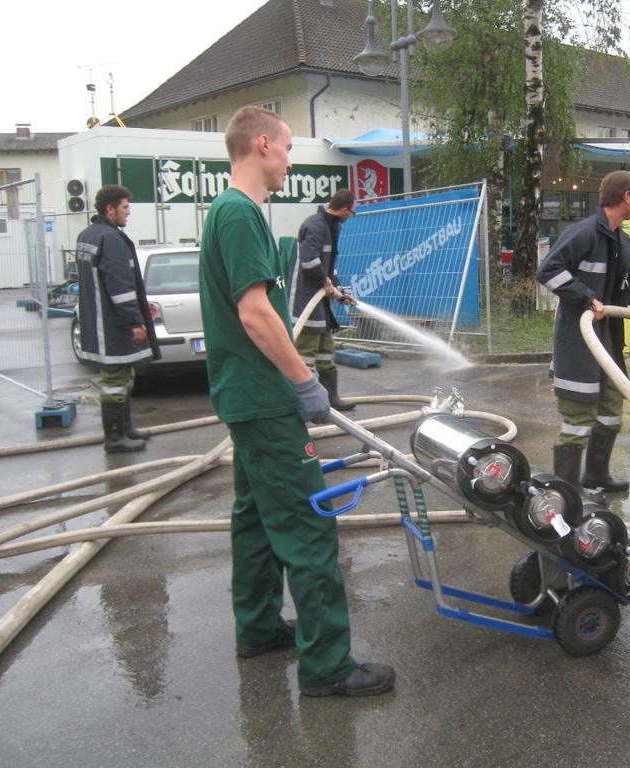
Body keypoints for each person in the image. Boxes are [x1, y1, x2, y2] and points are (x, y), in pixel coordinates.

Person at [199, 106, 395, 698]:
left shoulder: (231, 211)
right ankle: (329, 666)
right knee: (310, 523)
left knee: (257, 519)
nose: (289, 158)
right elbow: (255, 313)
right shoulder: (238, 214)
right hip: (264, 400)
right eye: (286, 147)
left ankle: (258, 627)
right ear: (263, 145)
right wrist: (304, 380)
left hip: (247, 398)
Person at [536, 170, 630, 500]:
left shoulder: (621, 242)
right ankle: (568, 493)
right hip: (579, 343)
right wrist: (587, 299)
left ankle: (596, 476)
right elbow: (547, 271)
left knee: (612, 411)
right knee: (577, 420)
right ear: (626, 196)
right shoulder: (584, 233)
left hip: (608, 344)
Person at [75, 185, 160, 454]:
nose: (129, 212)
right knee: (115, 381)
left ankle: (125, 430)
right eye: (125, 207)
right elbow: (120, 285)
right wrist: (135, 320)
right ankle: (115, 438)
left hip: (99, 322)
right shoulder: (110, 239)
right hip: (113, 326)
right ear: (109, 209)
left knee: (124, 376)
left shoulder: (87, 234)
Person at [292, 190, 357, 410]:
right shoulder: (316, 225)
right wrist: (327, 284)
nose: (351, 217)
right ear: (345, 210)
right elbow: (309, 262)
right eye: (353, 212)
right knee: (306, 354)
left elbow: (329, 266)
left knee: (326, 351)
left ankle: (331, 400)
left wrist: (339, 290)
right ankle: (301, 403)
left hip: (321, 303)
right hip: (306, 300)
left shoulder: (330, 228)